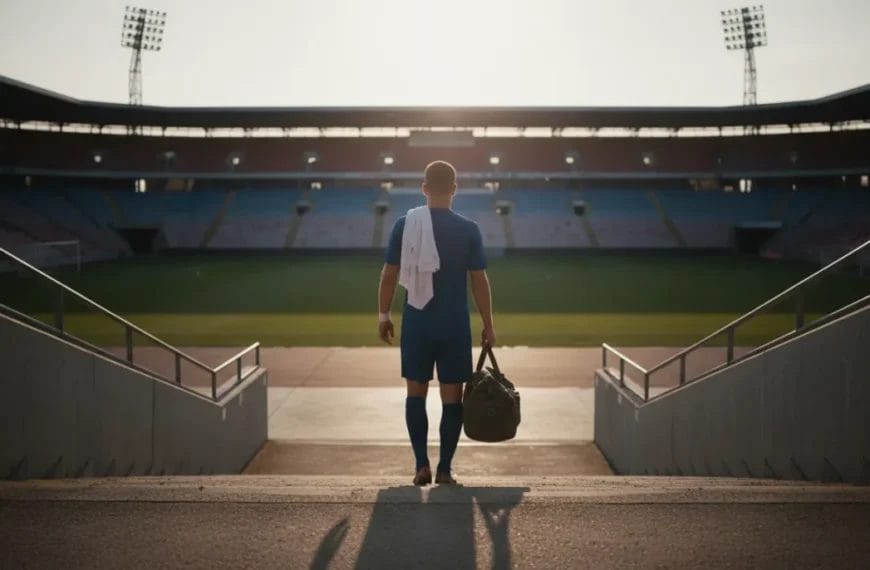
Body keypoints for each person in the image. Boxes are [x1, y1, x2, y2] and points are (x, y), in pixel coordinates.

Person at [377, 160, 496, 486]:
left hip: (417, 323)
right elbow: (479, 281)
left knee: (415, 393)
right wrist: (488, 324)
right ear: (454, 189)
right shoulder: (468, 228)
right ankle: (444, 469)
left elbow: (389, 274)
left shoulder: (405, 224)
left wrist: (384, 315)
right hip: (455, 325)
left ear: (424, 188)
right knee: (452, 398)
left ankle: (420, 466)